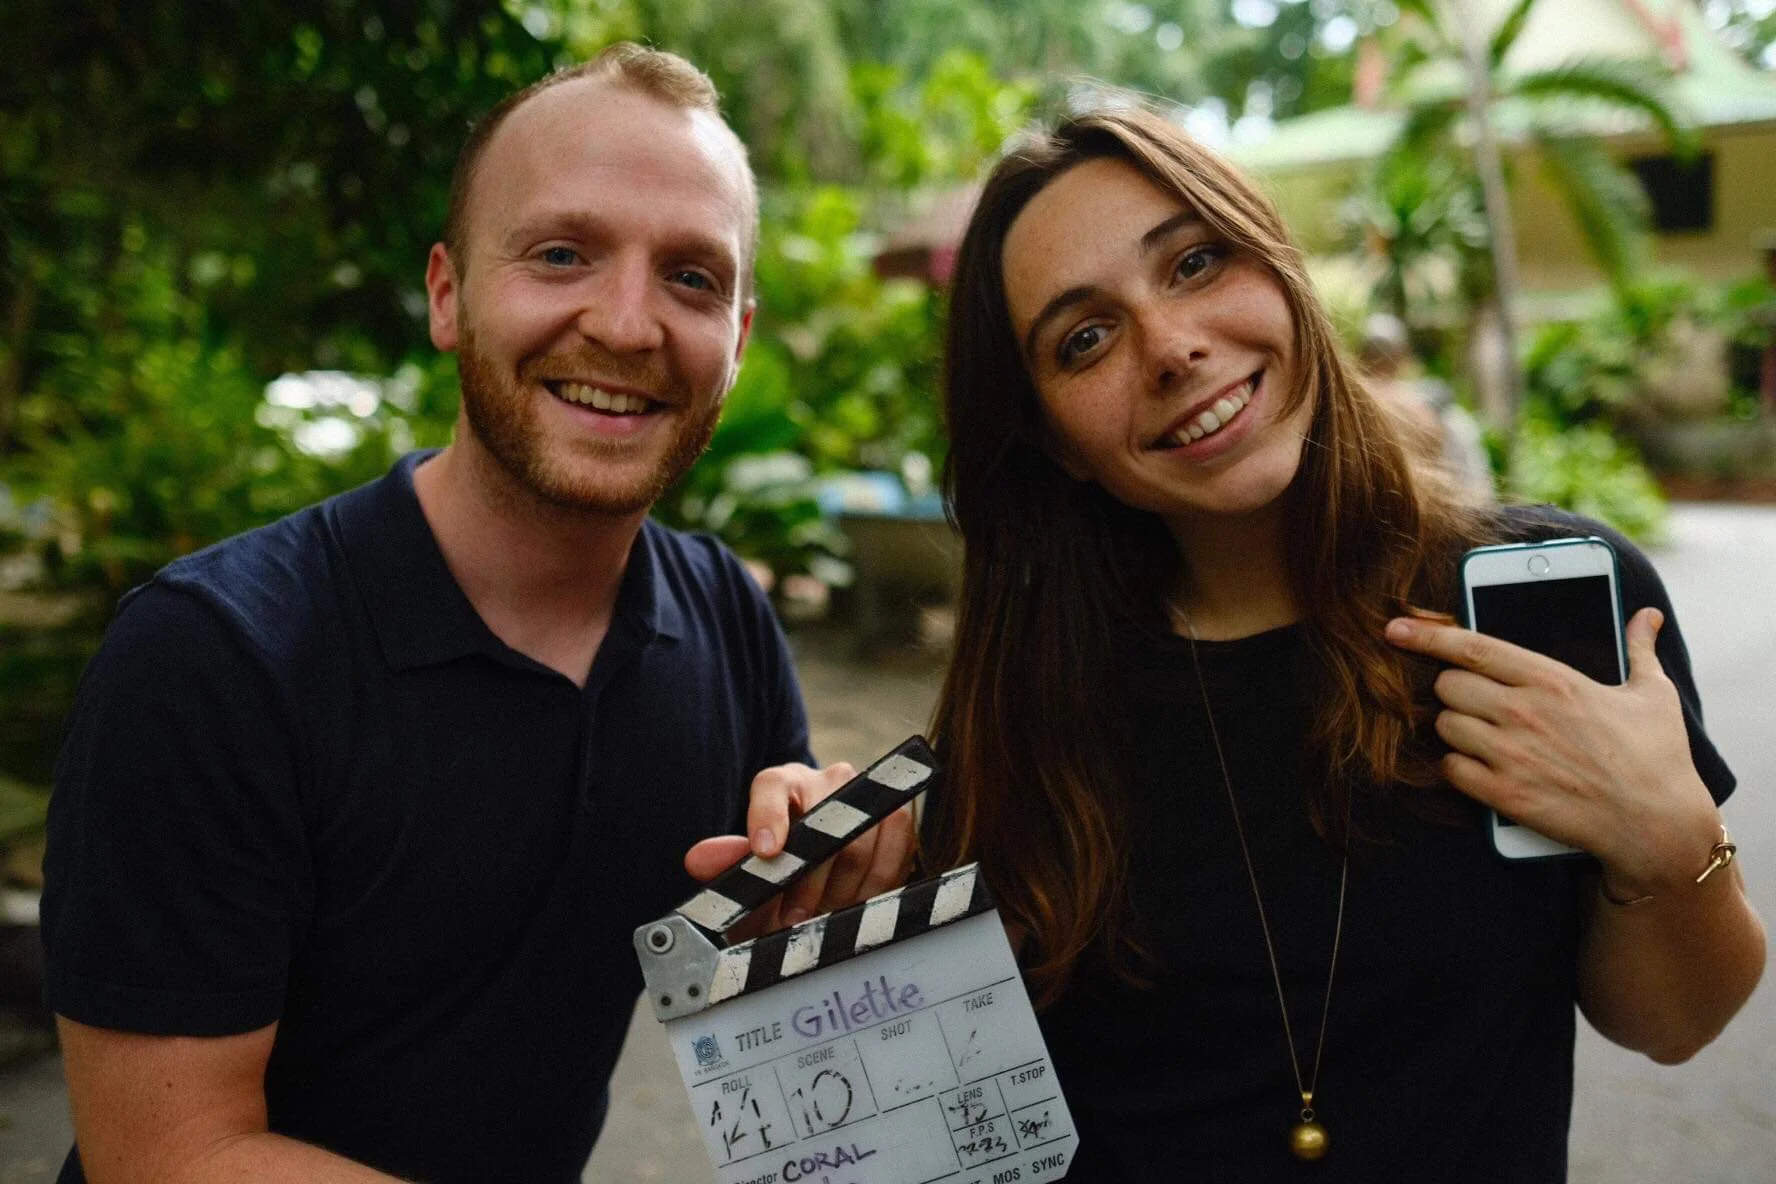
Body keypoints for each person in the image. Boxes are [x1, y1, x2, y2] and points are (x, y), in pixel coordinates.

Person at [40, 44, 910, 1183]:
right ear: (449, 295)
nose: (630, 323)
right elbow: (168, 1153)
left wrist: (852, 875)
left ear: (737, 342)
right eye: (562, 254)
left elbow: (792, 1035)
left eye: (693, 278)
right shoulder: (212, 657)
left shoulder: (722, 620)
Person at [921, 102, 1765, 1182]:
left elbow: (1674, 1020)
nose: (1173, 347)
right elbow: (946, 1124)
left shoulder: (1535, 606)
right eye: (1085, 338)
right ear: (1053, 438)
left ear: (1279, 265)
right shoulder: (1028, 701)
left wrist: (1667, 833)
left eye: (1194, 262)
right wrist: (837, 904)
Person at [1358, 311, 1494, 504]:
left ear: (1359, 355)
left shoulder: (1344, 408)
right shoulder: (1434, 411)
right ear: (1402, 357)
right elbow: (1476, 489)